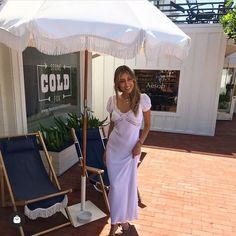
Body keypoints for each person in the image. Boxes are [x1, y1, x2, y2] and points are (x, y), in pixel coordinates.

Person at [104, 65, 151, 235]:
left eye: (129, 79)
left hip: (131, 152)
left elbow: (147, 126)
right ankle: (118, 222)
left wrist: (140, 143)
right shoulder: (112, 101)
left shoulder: (143, 99)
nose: (127, 83)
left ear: (134, 79)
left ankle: (118, 222)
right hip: (113, 150)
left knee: (126, 188)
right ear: (117, 84)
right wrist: (105, 149)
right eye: (122, 81)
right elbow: (112, 126)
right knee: (115, 187)